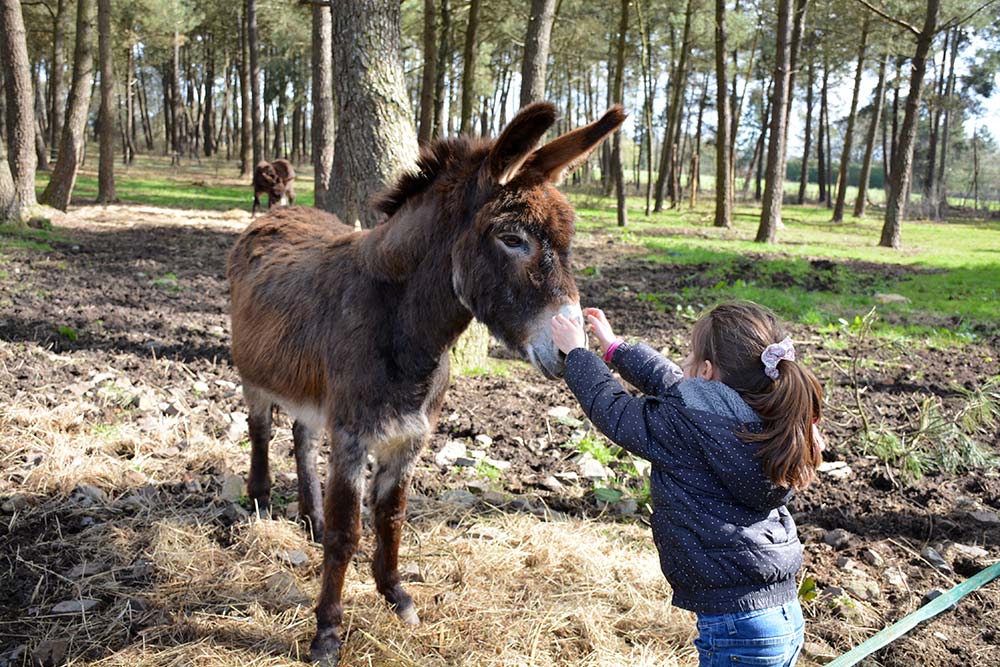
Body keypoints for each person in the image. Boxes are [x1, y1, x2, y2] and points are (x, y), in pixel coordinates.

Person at [550, 300, 824, 667]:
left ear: (708, 371)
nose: (683, 363)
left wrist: (578, 354)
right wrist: (615, 349)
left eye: (691, 356)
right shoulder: (768, 415)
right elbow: (677, 385)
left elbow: (614, 410)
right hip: (781, 614)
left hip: (734, 630)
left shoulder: (687, 427)